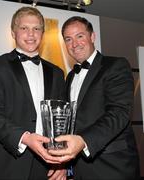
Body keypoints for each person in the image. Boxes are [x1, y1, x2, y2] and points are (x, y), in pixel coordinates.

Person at [0, 6, 66, 180]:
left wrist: (61, 162)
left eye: (36, 28)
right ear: (13, 33)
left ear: (42, 33)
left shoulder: (56, 72)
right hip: (6, 163)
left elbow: (60, 122)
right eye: (24, 28)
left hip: (46, 166)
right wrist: (24, 138)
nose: (31, 34)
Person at [48, 16, 140, 180]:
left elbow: (120, 113)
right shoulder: (69, 77)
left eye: (80, 36)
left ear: (92, 37)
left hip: (113, 165)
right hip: (79, 168)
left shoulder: (115, 65)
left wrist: (83, 141)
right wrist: (61, 163)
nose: (74, 44)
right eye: (68, 39)